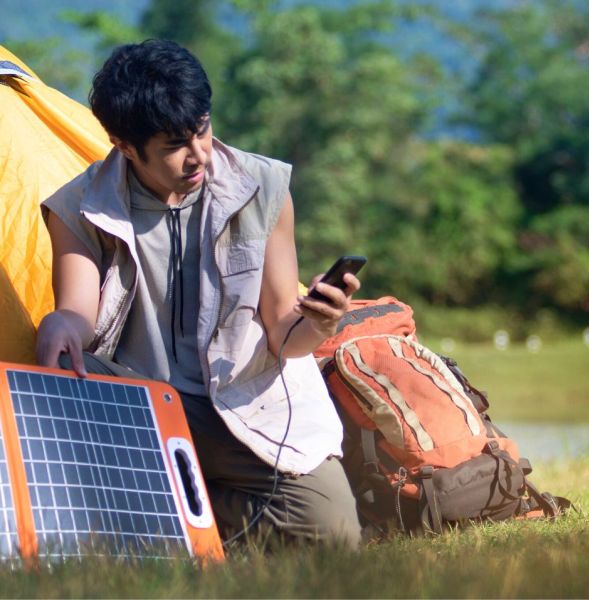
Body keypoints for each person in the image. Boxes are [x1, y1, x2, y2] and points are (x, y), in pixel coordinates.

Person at [35, 39, 362, 549]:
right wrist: (60, 323)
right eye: (173, 145)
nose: (198, 155)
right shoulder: (77, 206)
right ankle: (171, 506)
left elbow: (283, 333)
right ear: (124, 145)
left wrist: (317, 322)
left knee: (332, 535)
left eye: (202, 130)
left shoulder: (264, 187)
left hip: (244, 402)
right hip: (141, 409)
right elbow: (77, 312)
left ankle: (178, 508)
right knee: (59, 366)